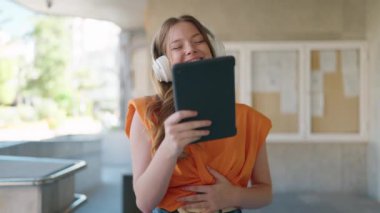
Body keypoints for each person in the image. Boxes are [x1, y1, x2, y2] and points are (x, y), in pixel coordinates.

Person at [125, 15, 272, 213]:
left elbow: (265, 193)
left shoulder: (249, 118)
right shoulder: (147, 113)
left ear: (214, 50)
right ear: (163, 66)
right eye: (177, 47)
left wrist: (233, 196)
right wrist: (169, 146)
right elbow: (144, 203)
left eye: (198, 41)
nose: (190, 49)